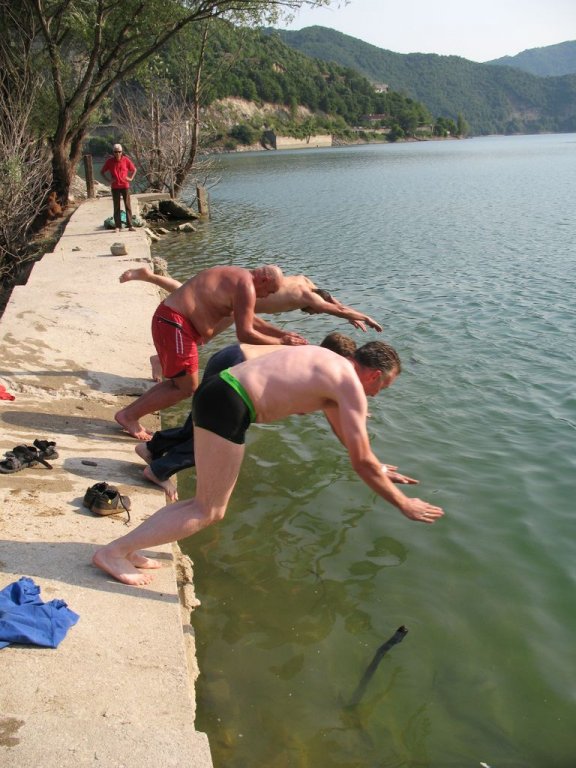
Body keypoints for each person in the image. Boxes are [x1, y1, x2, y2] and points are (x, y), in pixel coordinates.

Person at [93, 341, 445, 586]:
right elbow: (360, 462)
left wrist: (378, 466)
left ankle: (128, 548)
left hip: (221, 391)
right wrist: (404, 504)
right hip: (231, 404)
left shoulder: (327, 360)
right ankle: (114, 553)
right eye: (384, 386)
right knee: (209, 510)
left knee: (204, 504)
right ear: (374, 375)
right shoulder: (350, 385)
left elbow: (350, 439)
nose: (378, 394)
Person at [136, 332, 359, 500]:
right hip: (235, 369)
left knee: (197, 424)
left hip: (226, 356)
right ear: (335, 357)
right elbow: (302, 407)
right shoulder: (321, 367)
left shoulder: (308, 353)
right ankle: (158, 471)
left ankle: (152, 448)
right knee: (215, 442)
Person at [114, 265, 307, 440]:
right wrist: (280, 342)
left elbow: (250, 319)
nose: (265, 296)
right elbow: (245, 333)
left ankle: (129, 414)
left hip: (171, 320)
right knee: (185, 388)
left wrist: (282, 334)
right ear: (264, 280)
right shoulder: (246, 287)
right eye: (269, 291)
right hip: (176, 325)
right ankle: (129, 416)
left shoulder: (237, 276)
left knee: (179, 385)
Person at [120, 267, 383, 333]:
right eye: (314, 311)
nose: (314, 312)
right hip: (239, 305)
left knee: (185, 291)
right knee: (202, 332)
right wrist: (365, 317)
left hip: (241, 292)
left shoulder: (306, 282)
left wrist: (349, 316)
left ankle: (149, 276)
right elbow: (333, 308)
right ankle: (162, 360)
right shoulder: (307, 296)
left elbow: (332, 301)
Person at [101, 144, 137, 232]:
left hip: (125, 186)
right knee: (116, 206)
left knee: (127, 205)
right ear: (113, 152)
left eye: (119, 152)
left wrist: (130, 178)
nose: (117, 153)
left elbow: (134, 169)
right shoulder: (109, 161)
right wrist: (109, 180)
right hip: (115, 187)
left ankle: (130, 225)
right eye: (116, 152)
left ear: (122, 152)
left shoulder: (126, 160)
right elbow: (102, 172)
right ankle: (118, 226)